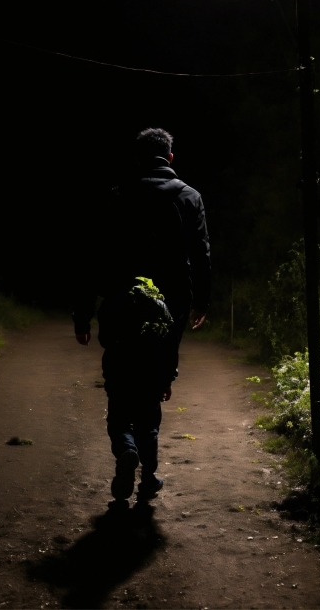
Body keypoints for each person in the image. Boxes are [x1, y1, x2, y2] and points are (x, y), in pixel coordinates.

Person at [72, 127, 211, 502]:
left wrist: (83, 316)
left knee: (119, 387)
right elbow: (200, 254)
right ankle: (149, 477)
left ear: (137, 159)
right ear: (170, 158)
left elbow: (92, 260)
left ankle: (125, 447)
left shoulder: (117, 198)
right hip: (170, 307)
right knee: (152, 388)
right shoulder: (188, 198)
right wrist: (202, 301)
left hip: (121, 304)